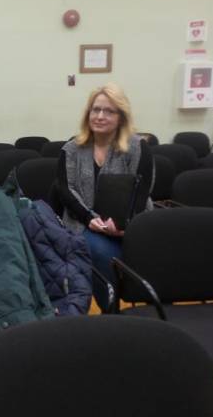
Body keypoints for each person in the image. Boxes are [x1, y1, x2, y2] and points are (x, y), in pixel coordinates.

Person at [50, 82, 153, 312]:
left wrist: (123, 225)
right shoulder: (72, 149)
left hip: (131, 223)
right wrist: (90, 218)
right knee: (95, 249)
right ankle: (112, 309)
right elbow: (67, 191)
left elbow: (142, 191)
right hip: (82, 221)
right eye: (95, 110)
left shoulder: (138, 148)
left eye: (109, 111)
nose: (100, 116)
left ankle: (138, 301)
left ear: (121, 116)